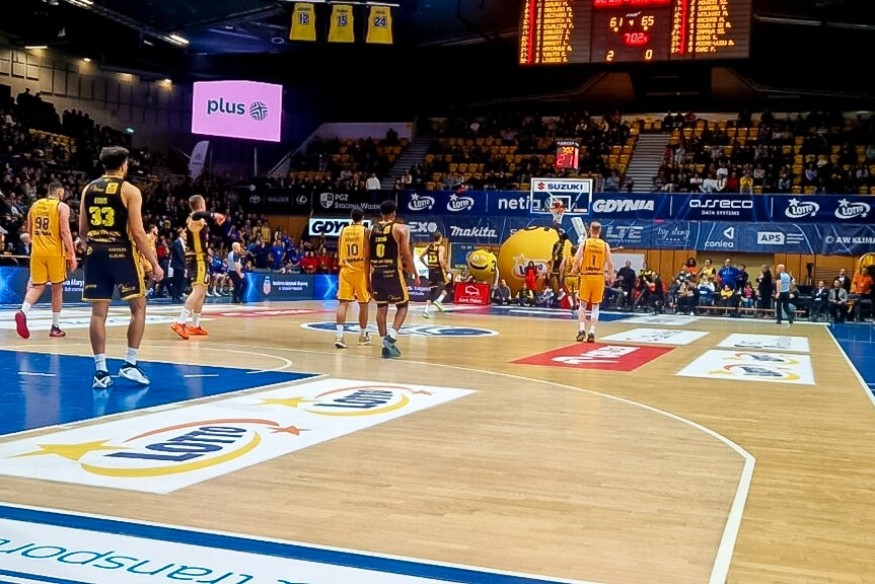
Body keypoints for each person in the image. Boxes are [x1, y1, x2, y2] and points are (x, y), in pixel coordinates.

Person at [79, 146, 164, 389]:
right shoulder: (129, 190)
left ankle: (100, 372)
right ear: (124, 165)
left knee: (98, 313)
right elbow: (137, 232)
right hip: (121, 253)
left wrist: (94, 246)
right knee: (138, 307)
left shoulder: (88, 189)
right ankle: (130, 364)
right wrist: (154, 263)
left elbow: (83, 231)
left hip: (95, 254)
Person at [14, 182, 77, 339]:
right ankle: (55, 327)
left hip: (37, 252)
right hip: (55, 253)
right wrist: (72, 253)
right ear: (60, 193)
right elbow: (65, 231)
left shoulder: (35, 205)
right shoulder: (61, 207)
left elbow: (29, 233)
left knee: (37, 287)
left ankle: (23, 311)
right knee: (57, 290)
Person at [366, 200, 419, 359]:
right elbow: (406, 254)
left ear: (381, 213)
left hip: (376, 274)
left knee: (381, 308)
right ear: (394, 213)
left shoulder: (370, 230)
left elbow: (366, 258)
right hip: (393, 273)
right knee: (403, 306)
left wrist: (367, 279)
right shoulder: (401, 228)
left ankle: (385, 346)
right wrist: (415, 273)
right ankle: (391, 337)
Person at [170, 195, 225, 340]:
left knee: (202, 292)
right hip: (197, 258)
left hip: (202, 257)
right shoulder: (193, 217)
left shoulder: (200, 220)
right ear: (201, 204)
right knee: (198, 290)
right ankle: (180, 322)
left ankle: (195, 325)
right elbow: (197, 214)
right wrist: (214, 215)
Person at [335, 207, 371, 349]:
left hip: (345, 270)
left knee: (343, 304)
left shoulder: (343, 231)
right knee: (364, 304)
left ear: (351, 217)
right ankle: (362, 336)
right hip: (360, 271)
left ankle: (339, 337)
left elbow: (340, 251)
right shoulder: (366, 231)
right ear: (363, 218)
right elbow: (368, 254)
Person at [573, 221, 614, 342]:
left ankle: (581, 329)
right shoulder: (605, 245)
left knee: (582, 305)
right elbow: (610, 264)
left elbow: (577, 259)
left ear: (590, 230)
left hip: (586, 276)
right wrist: (610, 277)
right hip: (599, 277)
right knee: (595, 307)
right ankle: (591, 332)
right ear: (600, 231)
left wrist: (574, 270)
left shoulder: (585, 243)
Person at [420, 231, 450, 318]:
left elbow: (420, 257)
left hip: (431, 271)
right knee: (449, 285)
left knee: (432, 291)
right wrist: (446, 268)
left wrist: (427, 265)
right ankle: (439, 301)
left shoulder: (429, 246)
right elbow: (440, 260)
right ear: (440, 238)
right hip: (438, 270)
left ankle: (426, 311)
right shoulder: (441, 247)